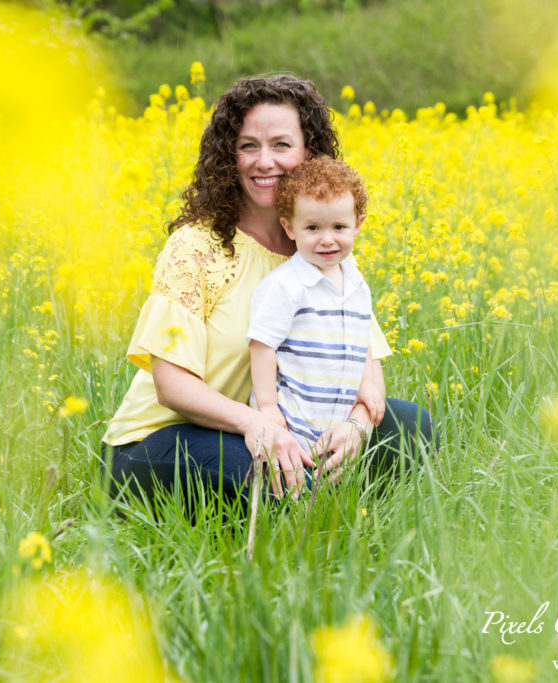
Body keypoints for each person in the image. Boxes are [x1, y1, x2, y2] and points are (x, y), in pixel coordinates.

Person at [101, 74, 436, 506]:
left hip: (280, 427)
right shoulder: (196, 247)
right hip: (158, 441)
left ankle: (344, 511)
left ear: (308, 152)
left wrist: (356, 424)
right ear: (228, 156)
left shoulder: (319, 246)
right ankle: (311, 523)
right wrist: (257, 423)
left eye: (281, 145)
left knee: (410, 427)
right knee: (268, 478)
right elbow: (170, 384)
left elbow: (364, 356)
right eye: (248, 146)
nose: (264, 162)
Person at [248, 156, 378, 467]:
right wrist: (267, 407)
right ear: (289, 228)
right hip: (293, 420)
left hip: (335, 419)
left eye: (339, 227)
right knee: (292, 485)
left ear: (358, 224)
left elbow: (356, 342)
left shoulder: (356, 282)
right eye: (312, 228)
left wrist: (366, 387)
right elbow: (262, 345)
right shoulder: (286, 285)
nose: (327, 239)